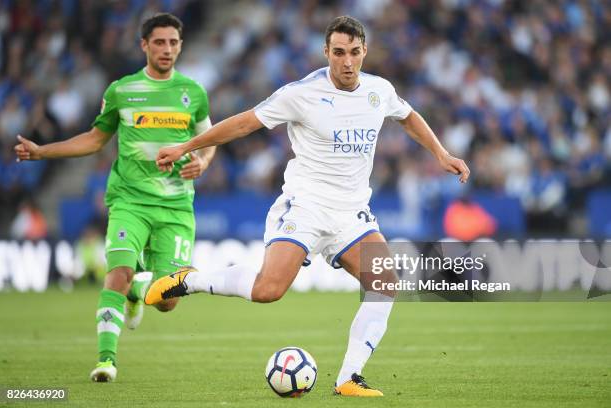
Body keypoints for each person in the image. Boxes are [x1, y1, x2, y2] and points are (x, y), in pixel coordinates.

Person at [146, 15, 470, 397]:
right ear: (326, 53)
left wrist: (441, 153)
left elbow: (408, 116)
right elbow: (244, 124)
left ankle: (349, 378)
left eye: (353, 52)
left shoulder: (378, 90)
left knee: (385, 284)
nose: (347, 62)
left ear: (365, 51)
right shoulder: (300, 93)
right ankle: (191, 279)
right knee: (268, 290)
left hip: (351, 214)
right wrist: (186, 147)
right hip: (306, 207)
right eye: (338, 53)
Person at [14, 13, 216, 382]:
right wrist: (43, 151)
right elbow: (93, 139)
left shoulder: (194, 93)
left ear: (181, 45)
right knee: (118, 272)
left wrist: (201, 162)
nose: (167, 49)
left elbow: (210, 139)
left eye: (173, 42)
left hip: (176, 207)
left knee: (169, 300)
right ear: (144, 45)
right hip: (129, 201)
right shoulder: (123, 90)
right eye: (159, 42)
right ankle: (106, 360)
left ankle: (141, 288)